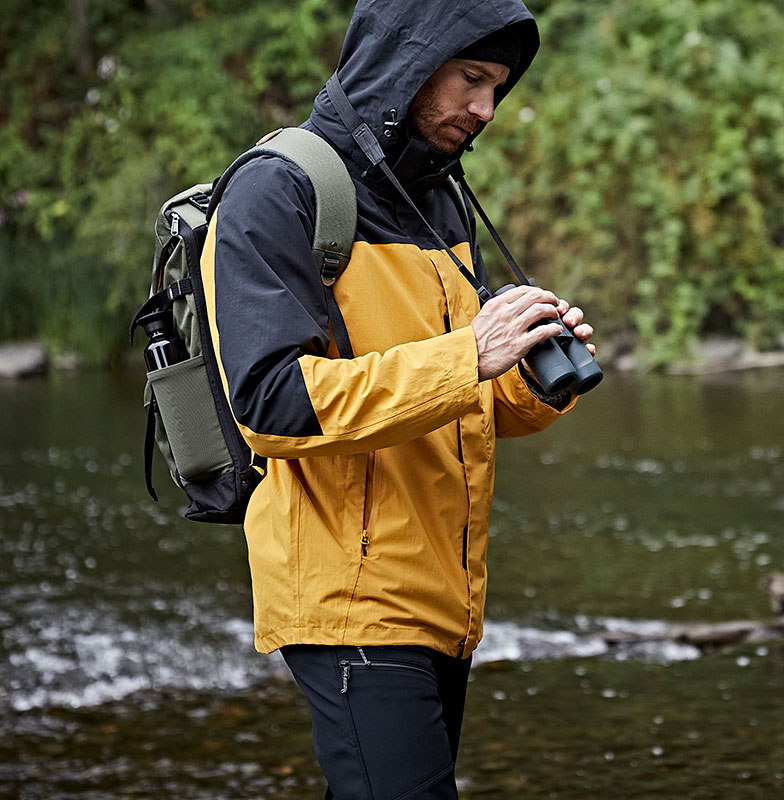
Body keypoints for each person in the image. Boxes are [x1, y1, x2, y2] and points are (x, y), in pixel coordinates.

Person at [199, 1, 594, 798]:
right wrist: (467, 354)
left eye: (499, 87)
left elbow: (467, 404)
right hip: (350, 603)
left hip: (443, 600)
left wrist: (529, 369)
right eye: (471, 78)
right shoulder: (277, 191)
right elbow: (273, 406)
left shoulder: (439, 195)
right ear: (408, 61)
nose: (486, 108)